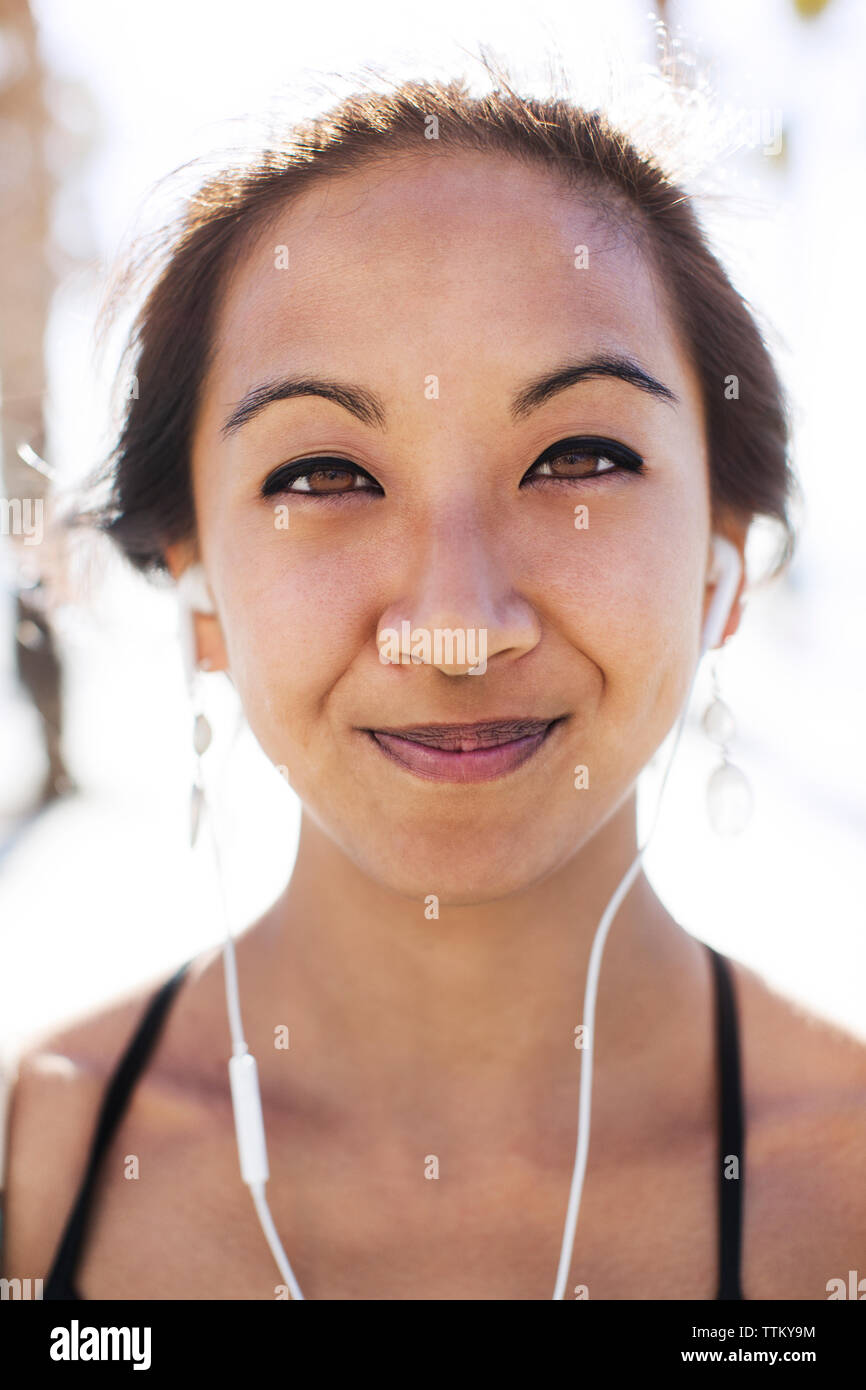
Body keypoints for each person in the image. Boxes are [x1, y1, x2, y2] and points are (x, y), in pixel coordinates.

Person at [2, 66, 865, 1302]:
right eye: (322, 475)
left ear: (720, 562)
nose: (455, 627)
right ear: (194, 583)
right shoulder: (32, 1176)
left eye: (579, 456)